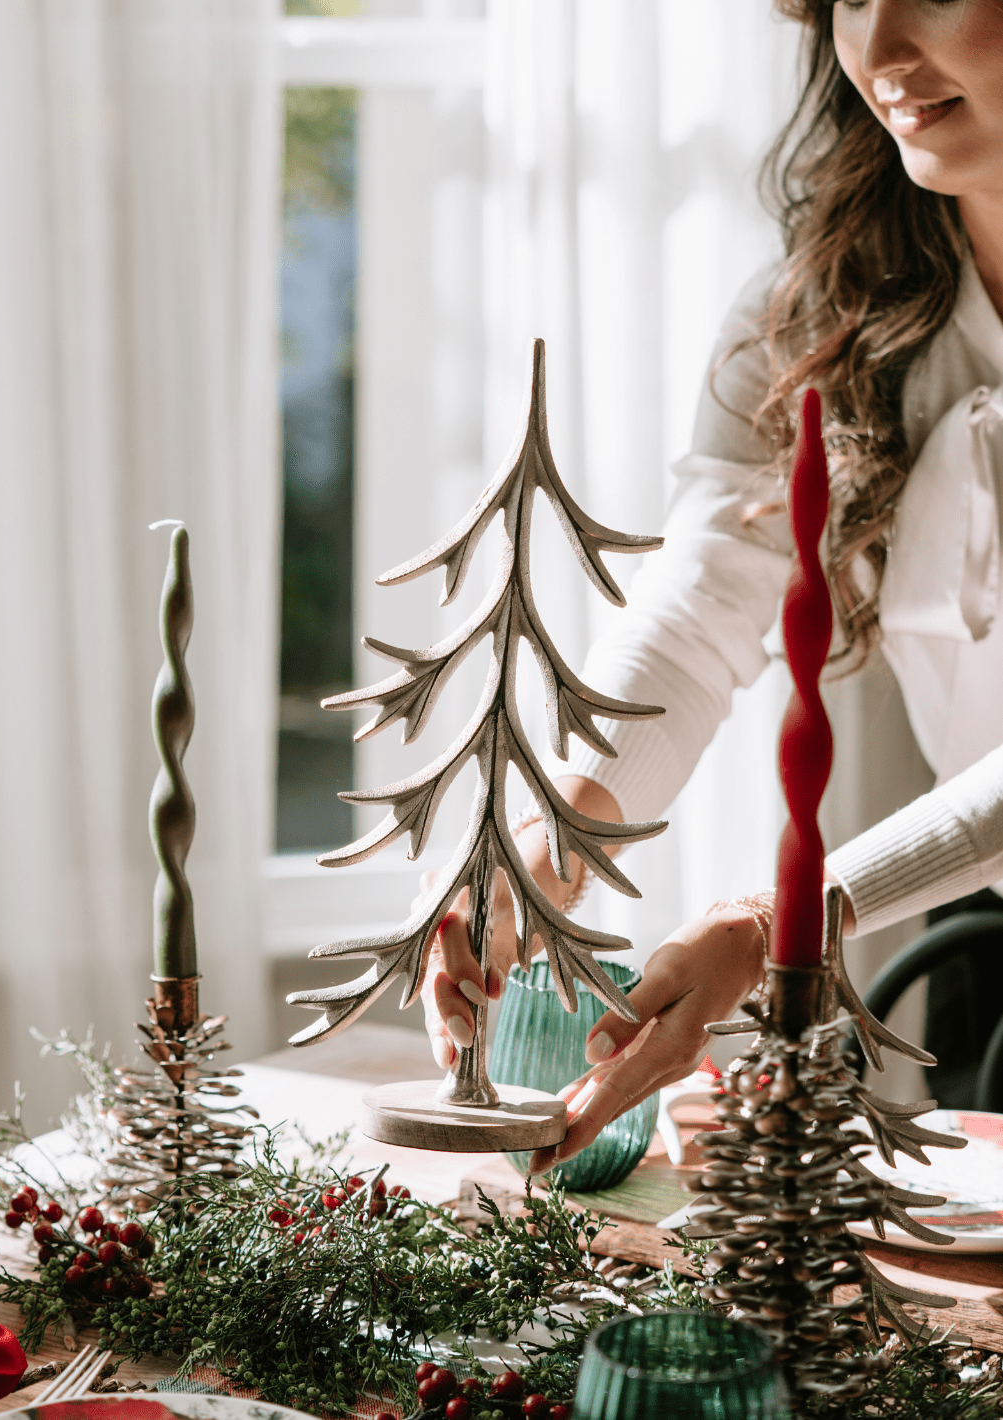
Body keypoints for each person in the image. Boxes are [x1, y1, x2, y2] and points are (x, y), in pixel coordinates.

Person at [421, 0, 1003, 1174]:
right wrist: (558, 836)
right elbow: (707, 609)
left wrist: (776, 921)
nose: (879, 49)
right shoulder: (825, 305)